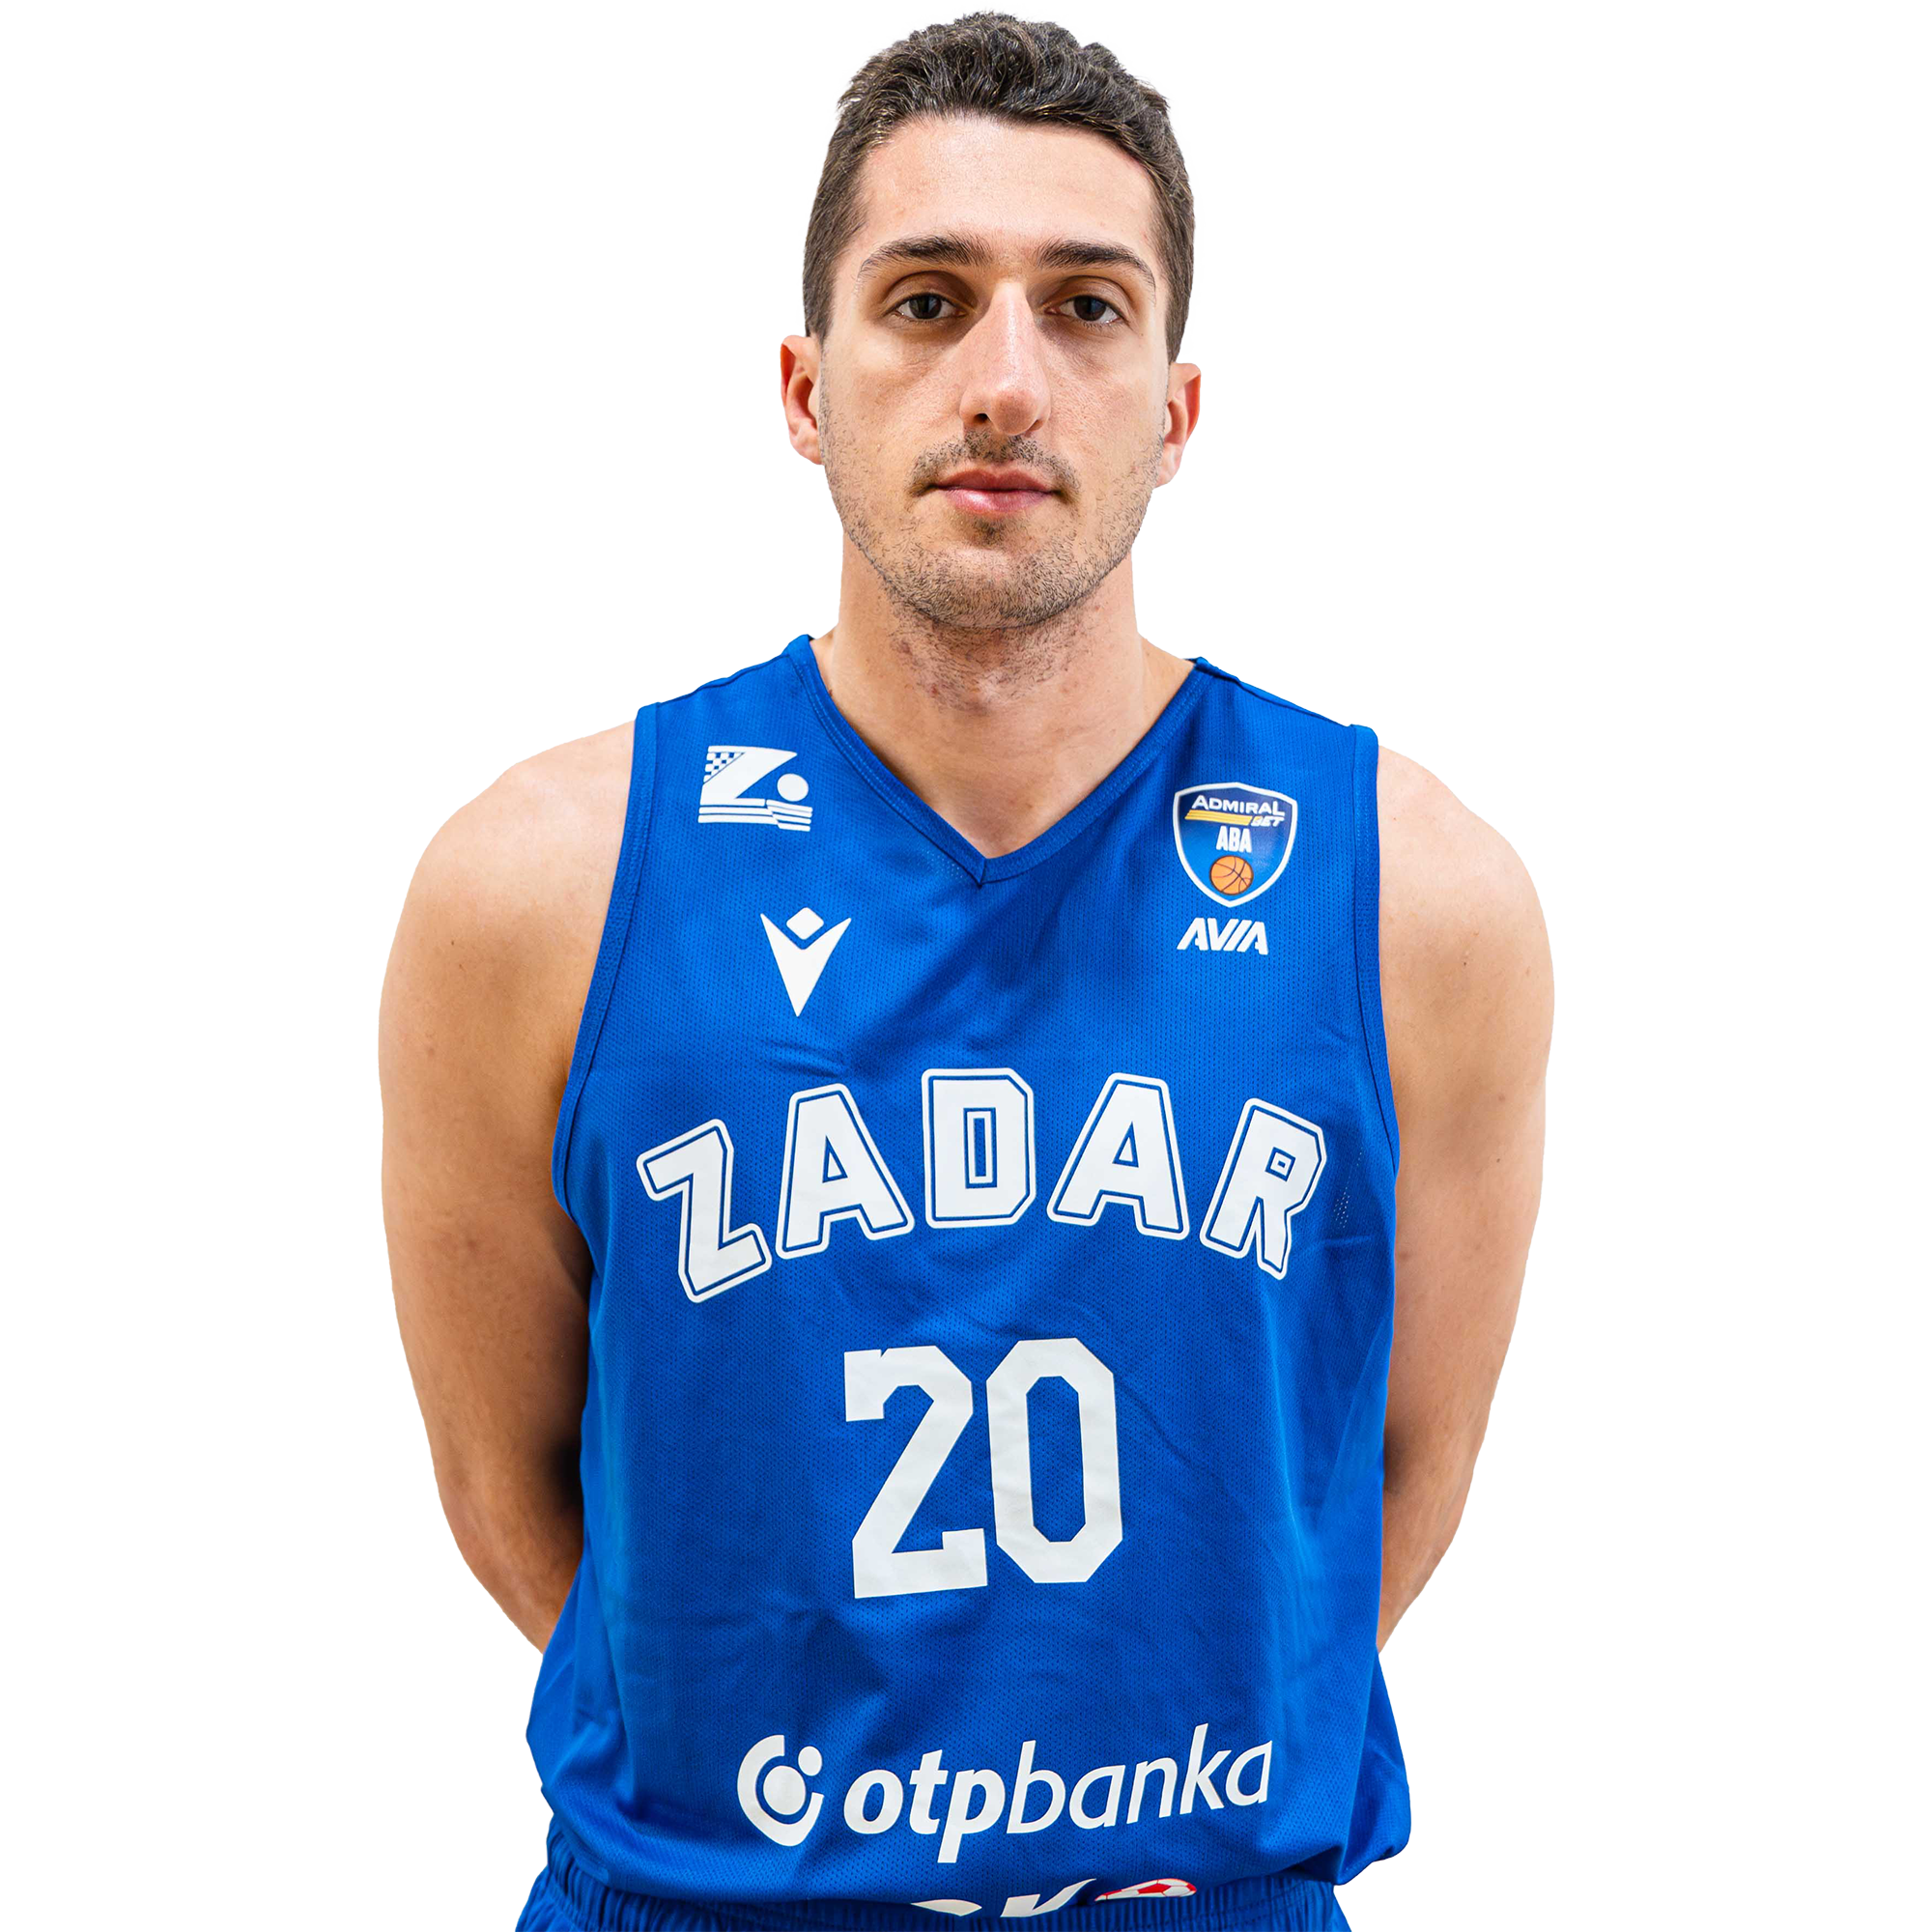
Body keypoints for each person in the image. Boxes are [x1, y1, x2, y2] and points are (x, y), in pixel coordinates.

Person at [379, 14, 1552, 1932]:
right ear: (804, 388)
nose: (1005, 382)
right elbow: (511, 1488)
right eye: (926, 302)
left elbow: (1390, 1472)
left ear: (1175, 411)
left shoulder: (1414, 897)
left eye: (1087, 309)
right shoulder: (537, 890)